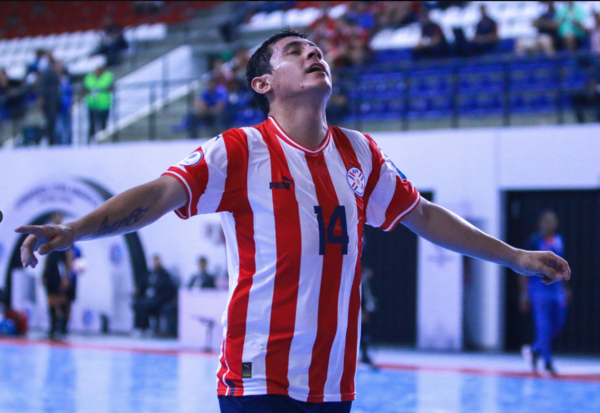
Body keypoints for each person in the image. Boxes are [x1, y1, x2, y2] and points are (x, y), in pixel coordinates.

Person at [16, 30, 571, 413]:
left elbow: (422, 216)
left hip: (334, 382)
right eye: (295, 51)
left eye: (316, 49)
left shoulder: (360, 153)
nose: (314, 54)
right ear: (264, 83)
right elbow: (161, 193)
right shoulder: (239, 150)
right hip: (258, 375)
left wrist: (515, 257)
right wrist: (74, 230)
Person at [520, 210, 572, 377]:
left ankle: (535, 350)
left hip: (556, 289)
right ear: (541, 224)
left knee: (558, 324)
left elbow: (561, 266)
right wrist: (524, 293)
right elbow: (522, 267)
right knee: (544, 327)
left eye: (552, 221)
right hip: (539, 288)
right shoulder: (533, 241)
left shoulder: (559, 241)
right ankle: (548, 362)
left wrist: (565, 288)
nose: (549, 225)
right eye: (546, 222)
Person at [41, 212, 71, 340]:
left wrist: (67, 276)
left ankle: (63, 329)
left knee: (61, 301)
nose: (56, 218)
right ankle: (52, 329)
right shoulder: (50, 235)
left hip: (59, 272)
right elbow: (47, 256)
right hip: (50, 272)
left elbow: (69, 257)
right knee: (50, 301)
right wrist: (44, 273)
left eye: (59, 216)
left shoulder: (66, 233)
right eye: (55, 217)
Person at [132, 255, 177, 336]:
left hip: (159, 299)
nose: (156, 263)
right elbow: (142, 284)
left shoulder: (164, 274)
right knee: (138, 304)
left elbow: (167, 289)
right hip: (148, 298)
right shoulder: (149, 273)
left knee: (145, 305)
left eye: (157, 261)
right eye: (154, 261)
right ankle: (141, 327)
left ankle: (146, 327)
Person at [84, 66, 114, 143]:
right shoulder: (89, 78)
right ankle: (91, 141)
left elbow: (111, 87)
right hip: (92, 105)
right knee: (92, 125)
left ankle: (103, 141)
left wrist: (99, 90)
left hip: (104, 105)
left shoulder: (107, 76)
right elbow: (84, 89)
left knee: (103, 124)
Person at [37, 53, 61, 146]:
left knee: (52, 122)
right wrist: (42, 97)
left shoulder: (54, 73)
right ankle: (47, 139)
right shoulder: (48, 73)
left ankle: (50, 139)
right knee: (50, 121)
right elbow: (42, 86)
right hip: (49, 102)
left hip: (53, 101)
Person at [359, 267, 376, 367]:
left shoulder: (364, 281)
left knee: (364, 334)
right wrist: (363, 310)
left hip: (365, 311)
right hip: (362, 311)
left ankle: (365, 355)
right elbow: (362, 296)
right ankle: (364, 356)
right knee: (362, 334)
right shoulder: (360, 280)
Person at [55, 61, 73, 146]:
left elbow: (71, 93)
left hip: (66, 106)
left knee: (68, 129)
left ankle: (68, 145)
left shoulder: (66, 79)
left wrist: (71, 105)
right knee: (59, 129)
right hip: (58, 107)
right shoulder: (53, 79)